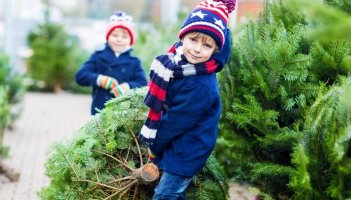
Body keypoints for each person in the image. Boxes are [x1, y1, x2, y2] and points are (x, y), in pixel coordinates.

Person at [138, 0, 236, 199]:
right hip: (178, 141)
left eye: (207, 45)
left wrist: (154, 148)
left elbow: (175, 121)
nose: (197, 49)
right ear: (182, 37)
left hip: (188, 149)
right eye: (193, 40)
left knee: (166, 194)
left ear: (216, 50)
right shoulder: (177, 63)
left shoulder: (200, 85)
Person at [75, 11, 148, 115]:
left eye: (124, 37)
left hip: (125, 113)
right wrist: (100, 79)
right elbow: (80, 76)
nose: (119, 39)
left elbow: (143, 83)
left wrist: (127, 86)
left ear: (130, 41)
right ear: (108, 36)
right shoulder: (98, 56)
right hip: (99, 111)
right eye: (115, 35)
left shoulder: (134, 62)